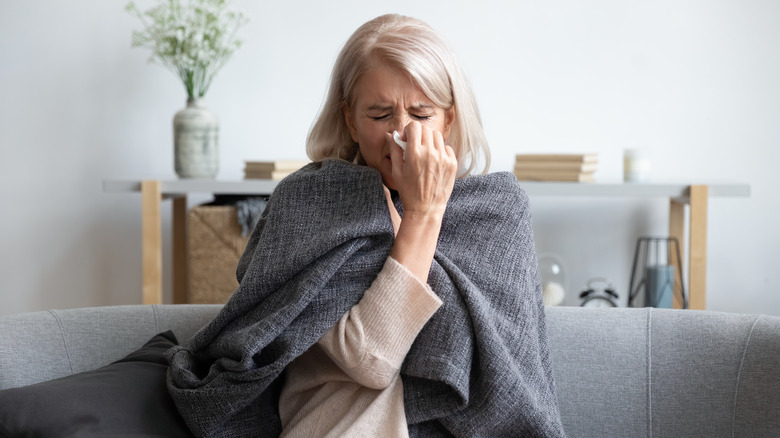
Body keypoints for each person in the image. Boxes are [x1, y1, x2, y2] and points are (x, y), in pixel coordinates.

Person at [167, 14, 566, 438]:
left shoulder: (495, 213)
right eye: (379, 115)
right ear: (351, 120)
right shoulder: (309, 204)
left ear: (448, 120)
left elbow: (515, 380)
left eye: (421, 113)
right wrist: (423, 214)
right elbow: (370, 358)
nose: (401, 134)